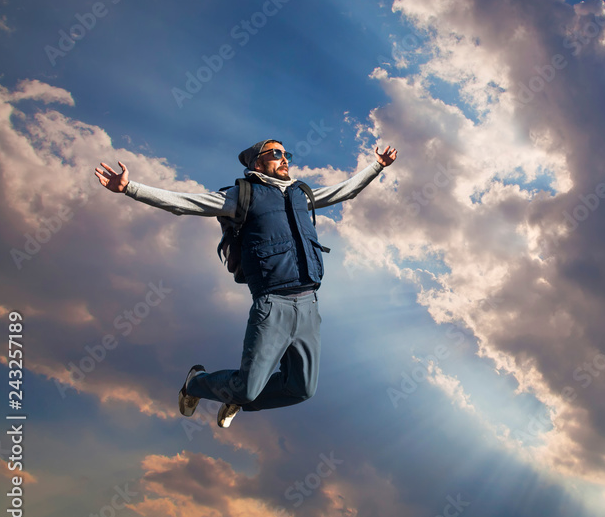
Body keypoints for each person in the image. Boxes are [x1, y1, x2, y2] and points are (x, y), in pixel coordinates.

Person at [95, 139, 397, 427]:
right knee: (249, 387)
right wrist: (130, 189)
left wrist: (377, 166)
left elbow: (344, 191)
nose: (284, 159)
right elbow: (185, 203)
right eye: (275, 154)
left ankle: (237, 397)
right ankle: (197, 383)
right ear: (256, 162)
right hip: (272, 303)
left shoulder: (300, 193)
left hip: (309, 304)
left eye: (286, 154)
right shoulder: (242, 195)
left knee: (301, 389)